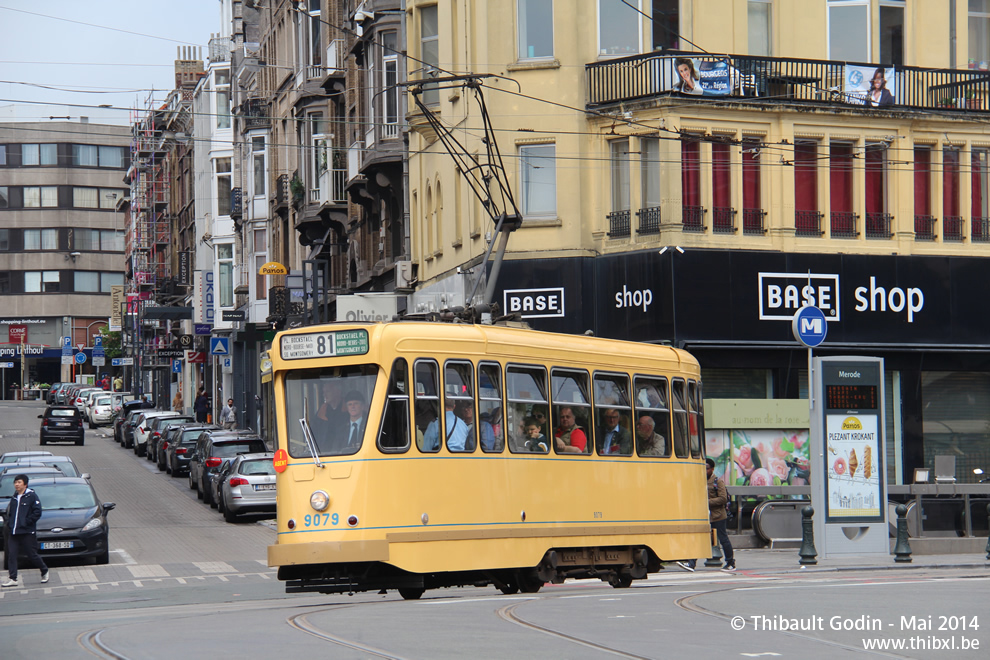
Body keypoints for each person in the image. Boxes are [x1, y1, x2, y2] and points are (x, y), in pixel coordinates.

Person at [678, 458, 735, 572]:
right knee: (699, 538)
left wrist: (706, 502)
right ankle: (691, 563)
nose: (704, 470)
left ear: (712, 469)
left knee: (723, 539)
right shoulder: (699, 481)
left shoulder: (717, 482)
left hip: (718, 516)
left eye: (707, 468)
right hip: (704, 516)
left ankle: (730, 563)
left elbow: (723, 499)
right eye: (702, 468)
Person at [2, 475, 49, 587]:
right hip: (13, 532)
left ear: (25, 484)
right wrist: (9, 523)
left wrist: (26, 522)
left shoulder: (31, 496)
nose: (16, 485)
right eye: (15, 482)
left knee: (31, 554)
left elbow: (37, 512)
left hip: (27, 532)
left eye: (19, 482)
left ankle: (44, 570)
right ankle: (13, 578)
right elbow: (11, 513)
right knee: (11, 555)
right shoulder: (14, 498)